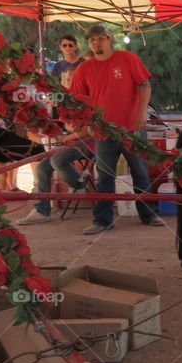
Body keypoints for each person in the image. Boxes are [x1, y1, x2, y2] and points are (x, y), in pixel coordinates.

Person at [69, 24, 165, 234]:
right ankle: (102, 220)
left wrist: (141, 113)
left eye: (99, 39)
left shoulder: (127, 58)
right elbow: (77, 100)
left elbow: (145, 85)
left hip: (132, 127)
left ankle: (148, 214)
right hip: (103, 131)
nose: (95, 43)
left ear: (108, 39)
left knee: (140, 172)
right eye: (92, 40)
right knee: (104, 175)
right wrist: (87, 124)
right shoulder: (84, 68)